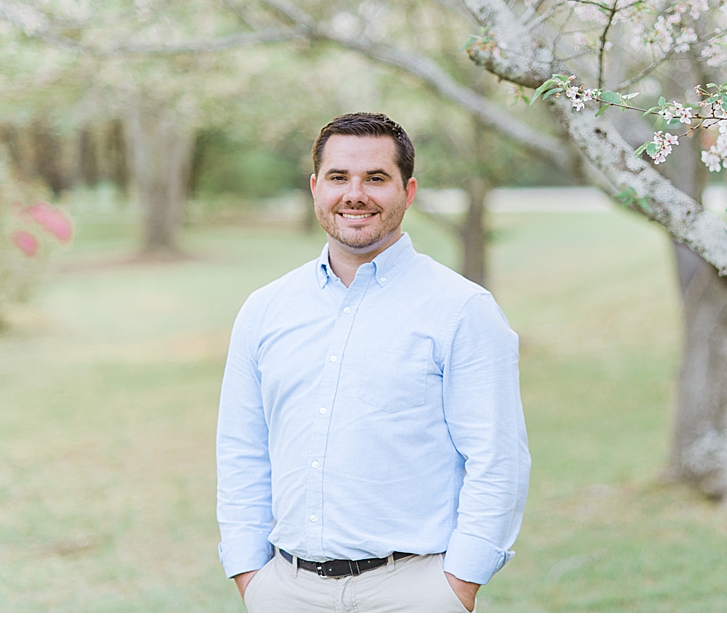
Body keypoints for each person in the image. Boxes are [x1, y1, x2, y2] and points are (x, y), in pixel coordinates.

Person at [215, 112, 530, 611]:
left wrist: (459, 584)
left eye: (376, 178)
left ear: (408, 191)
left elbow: (498, 459)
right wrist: (250, 574)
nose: (354, 194)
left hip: (413, 592)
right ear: (316, 187)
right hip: (285, 591)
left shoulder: (461, 309)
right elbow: (242, 450)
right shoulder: (266, 309)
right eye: (339, 177)